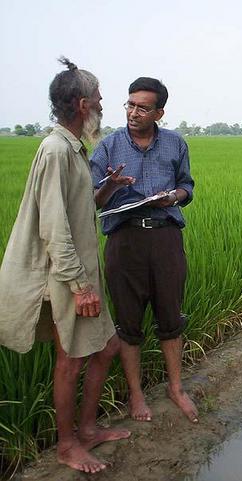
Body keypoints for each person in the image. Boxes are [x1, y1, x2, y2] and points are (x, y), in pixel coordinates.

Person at [0, 57, 131, 474]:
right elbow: (54, 228)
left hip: (78, 274)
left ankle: (88, 429)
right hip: (64, 277)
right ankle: (66, 445)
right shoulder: (55, 150)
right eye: (98, 99)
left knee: (106, 346)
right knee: (70, 359)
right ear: (80, 105)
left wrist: (107, 187)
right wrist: (80, 286)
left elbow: (76, 212)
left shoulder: (73, 150)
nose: (102, 106)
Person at [91, 77, 198, 424]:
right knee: (128, 321)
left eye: (142, 107)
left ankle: (176, 388)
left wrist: (174, 197)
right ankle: (136, 394)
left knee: (171, 316)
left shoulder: (175, 144)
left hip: (166, 238)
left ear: (159, 112)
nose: (134, 112)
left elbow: (186, 185)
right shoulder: (108, 147)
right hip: (125, 242)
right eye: (130, 104)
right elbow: (92, 200)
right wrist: (110, 185)